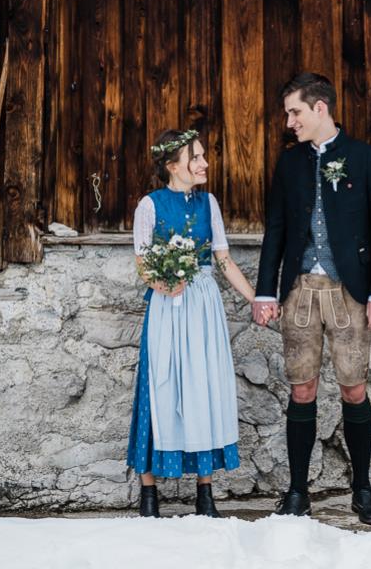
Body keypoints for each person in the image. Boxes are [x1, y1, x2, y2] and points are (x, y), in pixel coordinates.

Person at [252, 73, 371, 525]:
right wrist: (264, 291)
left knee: (354, 388)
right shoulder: (289, 163)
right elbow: (275, 229)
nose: (289, 121)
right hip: (298, 290)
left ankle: (363, 489)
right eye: (287, 113)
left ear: (320, 109)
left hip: (350, 291)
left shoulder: (366, 159)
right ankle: (297, 491)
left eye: (294, 111)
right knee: (302, 388)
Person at [126, 129, 257, 518]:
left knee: (203, 387)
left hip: (202, 305)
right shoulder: (149, 206)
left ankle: (205, 492)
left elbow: (223, 260)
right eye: (195, 158)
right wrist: (166, 282)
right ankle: (149, 493)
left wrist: (256, 299)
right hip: (168, 306)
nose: (204, 163)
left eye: (202, 156)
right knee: (160, 386)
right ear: (172, 166)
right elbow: (143, 264)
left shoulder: (209, 203)